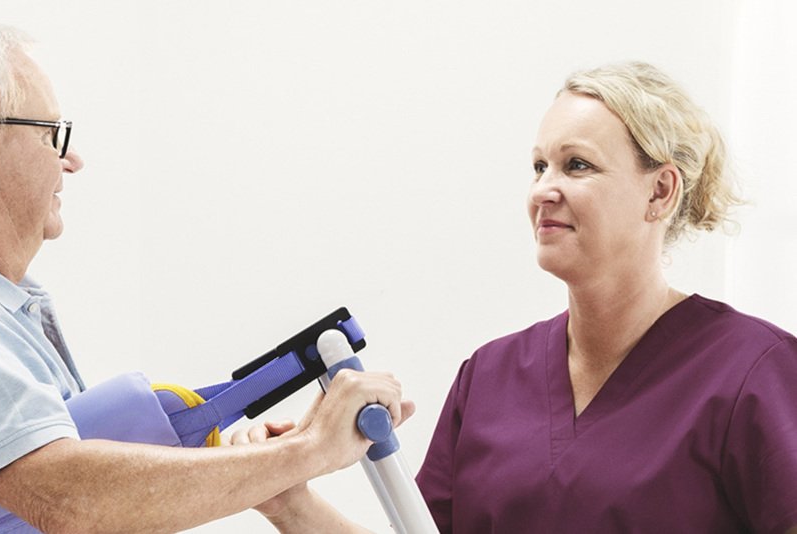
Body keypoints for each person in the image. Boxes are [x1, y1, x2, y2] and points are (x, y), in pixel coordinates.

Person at [0, 20, 414, 533]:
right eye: (52, 134)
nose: (70, 160)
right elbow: (67, 498)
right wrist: (310, 451)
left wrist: (275, 477)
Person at [233, 61, 797, 533]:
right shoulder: (491, 377)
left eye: (577, 165)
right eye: (538, 166)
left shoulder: (754, 372)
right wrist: (289, 501)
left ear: (660, 190)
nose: (543, 190)